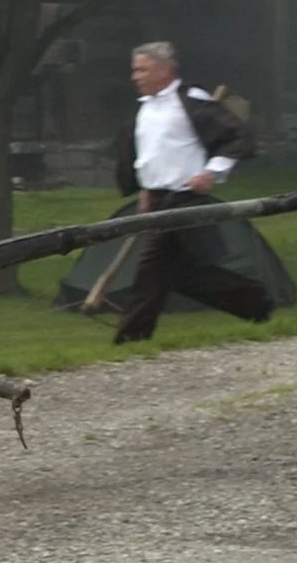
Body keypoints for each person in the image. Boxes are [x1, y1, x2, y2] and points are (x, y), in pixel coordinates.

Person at [107, 41, 271, 345]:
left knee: (151, 270)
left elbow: (238, 136)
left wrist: (211, 172)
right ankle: (255, 302)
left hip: (184, 198)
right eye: (135, 70)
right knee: (179, 273)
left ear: (165, 71)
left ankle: (130, 337)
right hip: (158, 199)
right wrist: (145, 189)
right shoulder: (145, 109)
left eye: (142, 70)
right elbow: (152, 156)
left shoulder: (192, 102)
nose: (135, 77)